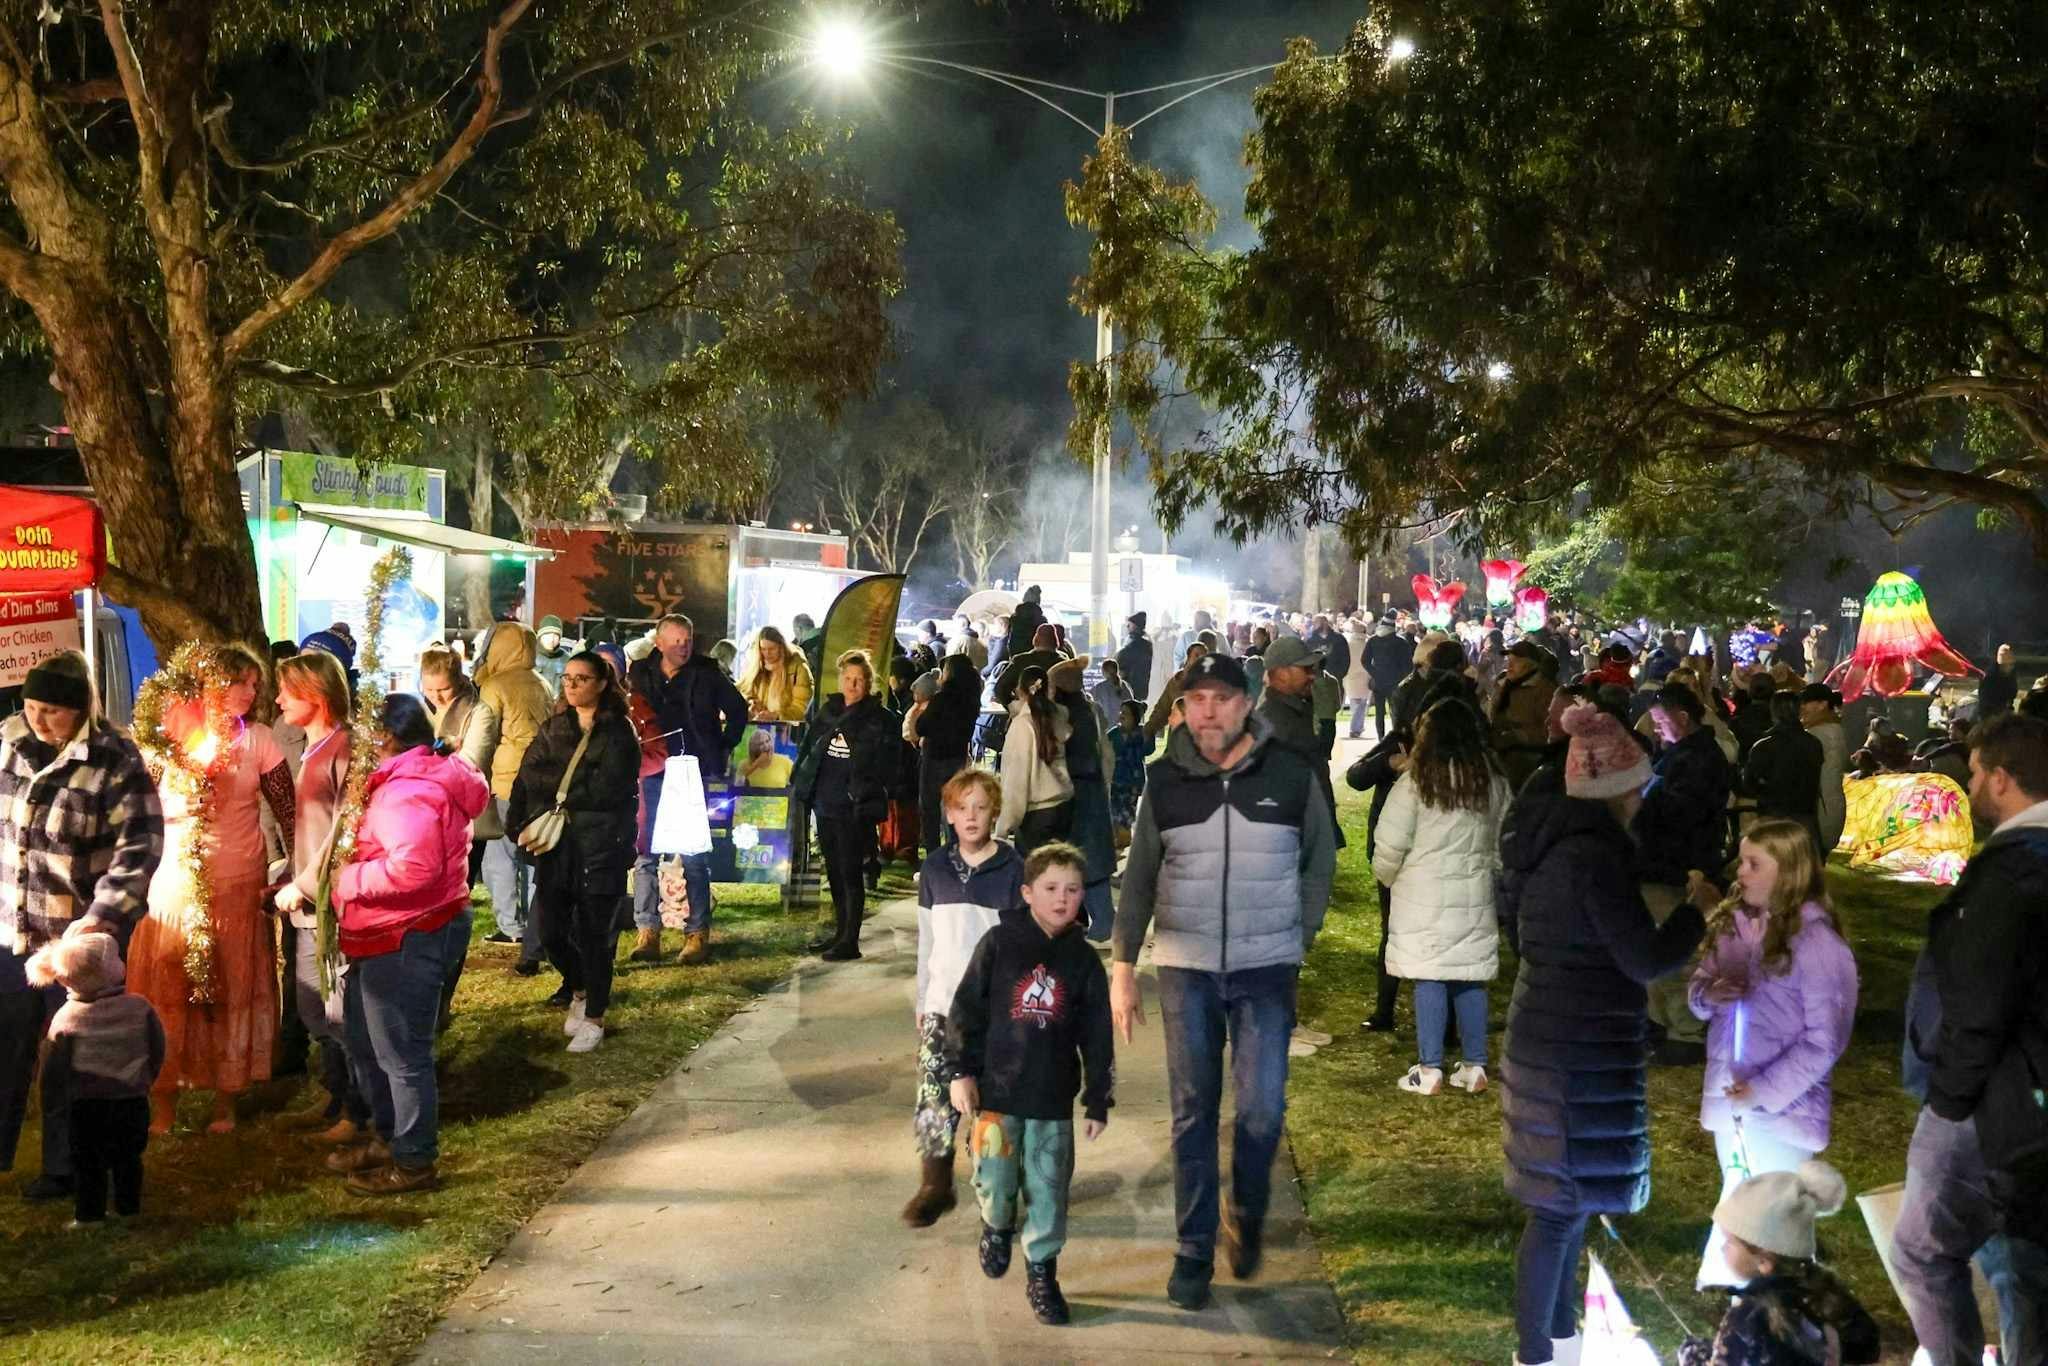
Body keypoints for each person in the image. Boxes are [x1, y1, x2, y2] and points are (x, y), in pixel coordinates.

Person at [1111, 651, 1337, 1310]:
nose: (1207, 711)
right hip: (1187, 969)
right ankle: (1192, 1249)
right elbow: (1140, 876)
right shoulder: (1165, 781)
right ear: (1183, 709)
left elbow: (1319, 861)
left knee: (1262, 1109)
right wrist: (1123, 966)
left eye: (1220, 698)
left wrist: (1299, 935)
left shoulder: (1291, 773)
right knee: (1193, 1111)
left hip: (1267, 969)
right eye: (1196, 699)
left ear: (1244, 705)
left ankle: (1248, 1207)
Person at [1499, 702, 1706, 1366]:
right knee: (1559, 1210)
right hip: (1573, 1052)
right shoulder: (1594, 859)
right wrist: (1696, 913)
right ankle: (1537, 1353)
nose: (1643, 799)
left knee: (1569, 1204)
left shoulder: (1555, 847)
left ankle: (1560, 1342)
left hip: (1557, 1037)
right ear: (1615, 788)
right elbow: (1644, 958)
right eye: (1638, 786)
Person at [1894, 713, 2048, 1365]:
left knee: (1923, 1250)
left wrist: (1948, 1101)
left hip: (1992, 1104)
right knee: (2020, 1261)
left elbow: (1980, 1000)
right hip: (2022, 1104)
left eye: (1978, 772)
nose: (1972, 784)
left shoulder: (2012, 873)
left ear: (2003, 779)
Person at [0, 650, 162, 1203]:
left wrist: (101, 923)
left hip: (76, 941)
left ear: (80, 709)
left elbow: (139, 848)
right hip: (11, 929)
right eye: (31, 707)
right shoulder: (8, 744)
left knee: (71, 1057)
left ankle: (66, 1165)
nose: (39, 720)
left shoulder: (115, 759)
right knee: (6, 1042)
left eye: (52, 711)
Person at [946, 841, 1114, 1328]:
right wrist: (960, 1072)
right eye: (1051, 888)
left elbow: (1097, 1034)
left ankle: (1042, 1271)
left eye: (1073, 890)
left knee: (1048, 1189)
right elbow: (966, 1011)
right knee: (996, 1183)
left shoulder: (1083, 961)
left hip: (1051, 1099)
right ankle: (996, 1226)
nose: (1063, 898)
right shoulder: (999, 944)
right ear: (1027, 893)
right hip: (996, 1096)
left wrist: (1097, 1098)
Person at [1684, 820, 1857, 1290]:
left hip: (1782, 1110)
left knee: (1770, 1223)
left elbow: (1825, 1040)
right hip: (1732, 1099)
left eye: (1753, 864)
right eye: (1742, 861)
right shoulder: (1735, 929)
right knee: (1740, 1206)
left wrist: (1762, 1090)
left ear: (1789, 873)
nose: (1740, 872)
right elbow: (1699, 991)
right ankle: (1740, 1303)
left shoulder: (1819, 947)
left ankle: (1782, 1302)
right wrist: (1709, 994)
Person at [128, 644, 294, 1136]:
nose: (251, 692)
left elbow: (287, 809)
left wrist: (295, 869)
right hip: (175, 881)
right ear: (210, 684)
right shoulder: (165, 741)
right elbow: (136, 808)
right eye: (241, 682)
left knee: (231, 986)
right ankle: (164, 1102)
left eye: (255, 684)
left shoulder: (259, 739)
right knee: (168, 983)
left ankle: (227, 1100)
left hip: (239, 882)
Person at [326, 694, 488, 1194]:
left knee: (402, 1055)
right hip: (389, 932)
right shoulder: (413, 777)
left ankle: (414, 1161)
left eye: (362, 732)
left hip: (406, 933)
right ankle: (391, 1137)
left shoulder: (408, 791)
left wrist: (347, 879)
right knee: (367, 1042)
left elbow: (413, 868)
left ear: (385, 737)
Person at [1373, 699, 1510, 1097]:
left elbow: (1390, 843)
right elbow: (1503, 840)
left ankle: (1429, 1067)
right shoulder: (1491, 783)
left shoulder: (1416, 783)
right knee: (1470, 976)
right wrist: (1491, 872)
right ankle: (1474, 1064)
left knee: (1430, 975)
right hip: (1474, 894)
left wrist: (1387, 877)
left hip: (1423, 896)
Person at [905, 769, 1021, 1228]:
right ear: (949, 815)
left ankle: (997, 1184)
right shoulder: (935, 869)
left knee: (993, 1103)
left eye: (981, 807)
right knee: (933, 1098)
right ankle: (935, 1185)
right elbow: (927, 941)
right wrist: (923, 999)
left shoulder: (1014, 870)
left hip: (993, 1009)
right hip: (942, 1007)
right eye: (961, 808)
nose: (971, 816)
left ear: (995, 813)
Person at [507, 652, 641, 1052]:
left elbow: (608, 788)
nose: (571, 685)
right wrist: (521, 819)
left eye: (581, 678)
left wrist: (559, 784)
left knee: (595, 934)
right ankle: (579, 988)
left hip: (602, 846)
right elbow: (528, 774)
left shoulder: (619, 732)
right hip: (558, 846)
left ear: (601, 684)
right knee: (550, 931)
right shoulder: (555, 726)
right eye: (567, 677)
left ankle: (595, 1015)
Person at [271, 651, 371, 1147]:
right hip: (307, 906)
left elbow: (343, 834)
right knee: (315, 1010)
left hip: (330, 906)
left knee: (338, 1011)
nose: (278, 700)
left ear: (315, 694)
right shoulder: (314, 749)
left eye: (287, 691)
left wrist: (306, 883)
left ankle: (357, 1110)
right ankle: (334, 1096)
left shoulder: (343, 749)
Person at [629, 614, 748, 965]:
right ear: (659, 643)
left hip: (693, 770)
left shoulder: (707, 673)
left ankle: (697, 932)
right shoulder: (641, 672)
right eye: (676, 640)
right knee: (646, 851)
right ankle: (647, 931)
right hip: (652, 769)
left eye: (688, 640)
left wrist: (722, 746)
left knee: (694, 855)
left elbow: (738, 710)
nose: (683, 646)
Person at [1677, 1161, 1880, 1366]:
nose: (1722, 1248)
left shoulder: (1748, 1317)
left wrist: (1696, 1359)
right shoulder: (1824, 1293)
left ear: (1764, 1261)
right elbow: (1867, 1348)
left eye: (1729, 1242)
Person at [27, 933, 163, 1229]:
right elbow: (156, 1046)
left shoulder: (67, 1017)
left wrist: (51, 1099)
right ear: (110, 970)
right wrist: (146, 1079)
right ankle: (128, 1209)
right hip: (131, 1099)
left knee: (88, 1161)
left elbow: (53, 1067)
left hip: (85, 1104)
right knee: (129, 1158)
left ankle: (89, 1216)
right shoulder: (139, 1007)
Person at [1636, 682, 1735, 1066]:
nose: (1656, 729)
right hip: (1661, 864)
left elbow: (1684, 816)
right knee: (1656, 948)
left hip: (1678, 867)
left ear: (1682, 718)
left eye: (1661, 722)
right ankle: (1661, 1023)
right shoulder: (1679, 756)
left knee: (1678, 953)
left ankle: (1685, 1031)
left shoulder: (1698, 760)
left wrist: (1647, 794)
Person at [791, 651, 899, 961]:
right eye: (848, 679)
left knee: (851, 871)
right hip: (825, 800)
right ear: (840, 679)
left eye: (859, 680)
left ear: (869, 682)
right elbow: (810, 748)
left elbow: (890, 763)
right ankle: (840, 932)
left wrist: (869, 788)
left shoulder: (880, 718)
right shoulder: (829, 711)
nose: (852, 685)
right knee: (835, 871)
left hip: (854, 806)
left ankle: (850, 940)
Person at [418, 646, 498, 1023]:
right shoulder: (419, 708)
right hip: (419, 821)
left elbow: (469, 765)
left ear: (460, 680)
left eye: (444, 690)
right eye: (430, 689)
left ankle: (442, 996)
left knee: (452, 909)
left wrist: (422, 766)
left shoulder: (478, 712)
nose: (437, 697)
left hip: (463, 824)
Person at [472, 622, 553, 962]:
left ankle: (510, 926)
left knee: (499, 857)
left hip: (506, 781)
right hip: (542, 779)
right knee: (534, 854)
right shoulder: (542, 682)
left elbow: (485, 736)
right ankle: (537, 926)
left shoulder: (494, 685)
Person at [1255, 636, 1346, 849]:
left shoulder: (1297, 711)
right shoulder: (1273, 721)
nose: (1312, 675)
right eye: (1305, 669)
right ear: (1281, 673)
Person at [1051, 656, 1116, 942]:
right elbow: (1106, 753)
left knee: (1085, 861)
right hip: (1094, 790)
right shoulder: (1091, 709)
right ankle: (1100, 920)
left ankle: (1103, 921)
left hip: (1077, 794)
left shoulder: (1063, 715)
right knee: (1091, 859)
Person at [995, 665, 1074, 856]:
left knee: (1034, 871)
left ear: (1020, 691)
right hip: (1063, 807)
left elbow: (1016, 779)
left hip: (1036, 816)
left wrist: (1003, 826)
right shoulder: (1058, 719)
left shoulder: (1023, 726)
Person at [913, 654, 982, 859]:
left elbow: (921, 726)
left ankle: (934, 853)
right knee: (955, 807)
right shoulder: (971, 700)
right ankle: (956, 850)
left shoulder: (942, 699)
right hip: (957, 757)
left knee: (930, 807)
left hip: (935, 757)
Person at [1741, 693, 1826, 856]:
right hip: (1805, 816)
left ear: (1773, 712)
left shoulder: (1764, 745)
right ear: (1799, 711)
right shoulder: (1814, 743)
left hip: (1774, 815)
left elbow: (1749, 784)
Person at [1491, 641, 1560, 792]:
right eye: (1509, 660)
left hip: (1531, 763)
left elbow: (1552, 731)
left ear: (1531, 665)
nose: (1509, 666)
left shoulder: (1544, 690)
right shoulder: (1504, 684)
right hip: (1502, 759)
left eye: (1516, 661)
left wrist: (1518, 735)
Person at [1797, 684, 1849, 855]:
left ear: (1822, 704)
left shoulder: (1820, 733)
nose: (1801, 707)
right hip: (1828, 804)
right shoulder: (1833, 729)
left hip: (1820, 806)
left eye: (1806, 702)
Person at [736, 625, 815, 722]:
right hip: (759, 725)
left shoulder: (798, 669)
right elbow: (744, 691)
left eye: (772, 649)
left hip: (787, 728)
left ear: (781, 647)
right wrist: (752, 704)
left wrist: (777, 716)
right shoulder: (757, 667)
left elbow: (802, 708)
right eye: (763, 649)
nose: (767, 653)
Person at [1142, 641, 1208, 743]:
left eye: (1203, 657)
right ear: (1188, 658)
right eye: (1196, 655)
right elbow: (1162, 709)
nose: (1200, 659)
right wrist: (1149, 729)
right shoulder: (1176, 682)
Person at [1107, 700, 1153, 842]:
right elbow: (1104, 750)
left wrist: (1147, 737)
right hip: (1116, 779)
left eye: (1126, 713)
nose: (1121, 715)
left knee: (1127, 810)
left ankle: (1124, 836)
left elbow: (1149, 749)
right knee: (1115, 809)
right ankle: (1118, 835)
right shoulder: (1113, 733)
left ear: (1135, 717)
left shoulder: (1142, 733)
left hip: (1133, 781)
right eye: (1121, 711)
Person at [992, 623, 1064, 708]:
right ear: (1056, 641)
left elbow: (1000, 689)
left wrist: (1012, 706)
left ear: (1035, 639)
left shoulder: (1020, 661)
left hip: (1025, 709)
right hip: (1056, 712)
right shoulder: (1063, 662)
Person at [1363, 615, 1411, 738]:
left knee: (1379, 713)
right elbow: (1407, 665)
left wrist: (1375, 673)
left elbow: (1365, 661)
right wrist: (1402, 678)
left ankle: (1381, 738)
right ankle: (1396, 738)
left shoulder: (1373, 640)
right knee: (1395, 712)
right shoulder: (1401, 642)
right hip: (1396, 682)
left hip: (1379, 682)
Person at [1343, 616, 1374, 739]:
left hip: (1350, 676)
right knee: (1362, 703)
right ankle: (1355, 728)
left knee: (1355, 703)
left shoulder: (1348, 645)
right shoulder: (1368, 645)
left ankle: (1357, 727)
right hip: (1365, 676)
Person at [1089, 657, 1133, 734]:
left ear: (1104, 672)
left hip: (1107, 728)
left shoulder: (1099, 688)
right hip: (1124, 727)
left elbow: (1089, 702)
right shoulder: (1126, 686)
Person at [1117, 613, 1154, 704]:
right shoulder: (1148, 644)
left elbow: (1121, 661)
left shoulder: (1132, 645)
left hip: (1132, 684)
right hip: (1145, 684)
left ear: (1135, 626)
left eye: (1129, 624)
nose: (1127, 627)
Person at [1006, 586, 1048, 662]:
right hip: (1034, 658)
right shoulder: (1042, 620)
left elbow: (1008, 637)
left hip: (1015, 656)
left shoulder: (1014, 618)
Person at [532, 614, 572, 694]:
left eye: (555, 635)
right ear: (540, 636)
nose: (551, 640)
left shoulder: (567, 659)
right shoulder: (529, 656)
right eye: (547, 635)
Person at [1978, 643, 2019, 718]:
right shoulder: (1989, 677)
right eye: (2009, 664)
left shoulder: (2011, 675)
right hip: (1990, 715)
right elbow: (1985, 702)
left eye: (2012, 664)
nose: (2011, 667)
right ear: (2001, 665)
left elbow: (2012, 694)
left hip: (2005, 712)